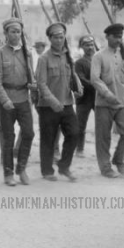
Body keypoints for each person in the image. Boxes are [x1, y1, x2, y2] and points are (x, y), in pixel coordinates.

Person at [36, 22, 81, 182]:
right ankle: (47, 171)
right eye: (56, 37)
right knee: (48, 139)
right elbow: (41, 84)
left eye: (62, 37)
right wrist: (53, 101)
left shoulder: (68, 56)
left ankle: (64, 166)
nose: (59, 40)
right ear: (50, 39)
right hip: (48, 106)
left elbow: (72, 76)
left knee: (74, 133)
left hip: (67, 103)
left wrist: (79, 86)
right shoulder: (43, 59)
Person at [0, 18, 34, 186]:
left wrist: (33, 84)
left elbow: (31, 75)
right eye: (13, 31)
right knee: (8, 138)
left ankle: (21, 168)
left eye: (18, 32)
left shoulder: (27, 52)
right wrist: (4, 100)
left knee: (29, 133)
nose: (16, 35)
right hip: (7, 101)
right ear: (6, 33)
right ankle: (8, 173)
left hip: (23, 99)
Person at [91, 23, 124, 178]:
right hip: (104, 103)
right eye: (115, 37)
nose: (118, 40)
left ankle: (118, 158)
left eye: (120, 37)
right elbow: (95, 79)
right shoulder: (98, 56)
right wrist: (108, 95)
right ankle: (105, 167)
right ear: (107, 37)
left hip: (122, 101)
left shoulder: (123, 55)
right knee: (103, 137)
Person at [74, 35, 97, 158]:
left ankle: (101, 149)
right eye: (86, 45)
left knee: (102, 123)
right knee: (80, 124)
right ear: (82, 47)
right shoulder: (79, 63)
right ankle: (79, 149)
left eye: (91, 44)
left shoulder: (99, 59)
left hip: (98, 97)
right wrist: (97, 85)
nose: (90, 47)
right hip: (84, 98)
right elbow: (81, 79)